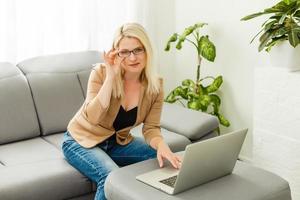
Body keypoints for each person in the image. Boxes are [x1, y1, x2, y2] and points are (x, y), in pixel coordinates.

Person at [61, 22, 181, 200]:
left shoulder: (155, 85)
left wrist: (163, 147)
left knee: (165, 161)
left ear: (147, 50)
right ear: (116, 53)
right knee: (111, 177)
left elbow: (151, 128)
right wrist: (110, 77)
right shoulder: (101, 73)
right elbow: (92, 117)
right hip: (80, 141)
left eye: (138, 50)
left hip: (117, 143)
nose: (132, 58)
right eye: (125, 52)